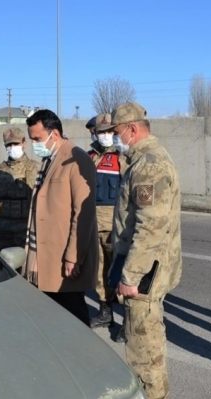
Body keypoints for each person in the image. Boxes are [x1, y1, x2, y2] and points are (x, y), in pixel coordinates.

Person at [107, 102, 181, 399]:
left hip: (145, 272)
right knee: (140, 338)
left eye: (117, 133)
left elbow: (149, 228)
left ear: (132, 130)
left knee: (143, 342)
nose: (114, 139)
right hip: (145, 266)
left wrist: (130, 276)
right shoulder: (140, 161)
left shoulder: (149, 165)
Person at [21, 109, 98, 326]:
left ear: (54, 134)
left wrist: (73, 257)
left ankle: (82, 357)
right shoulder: (50, 159)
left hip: (65, 258)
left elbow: (83, 215)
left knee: (73, 316)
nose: (35, 144)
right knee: (53, 318)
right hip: (46, 255)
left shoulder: (77, 160)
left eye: (37, 138)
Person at [85, 113, 126, 337]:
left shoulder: (123, 157)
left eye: (110, 131)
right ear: (94, 133)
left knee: (119, 271)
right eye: (101, 132)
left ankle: (128, 320)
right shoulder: (89, 157)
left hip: (117, 226)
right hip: (94, 223)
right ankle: (105, 311)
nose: (106, 136)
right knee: (99, 270)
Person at [0, 127, 40, 251]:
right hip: (3, 231)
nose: (12, 147)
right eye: (9, 144)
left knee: (25, 268)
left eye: (16, 143)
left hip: (27, 230)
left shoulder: (36, 168)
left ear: (24, 143)